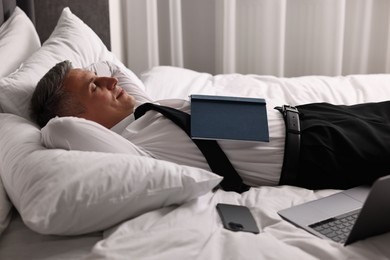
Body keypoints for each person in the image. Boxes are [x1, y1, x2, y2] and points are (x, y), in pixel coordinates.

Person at [30, 60, 390, 191]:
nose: (110, 81)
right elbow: (59, 130)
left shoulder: (141, 110)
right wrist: (43, 116)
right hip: (313, 151)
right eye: (95, 86)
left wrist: (90, 80)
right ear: (77, 118)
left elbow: (113, 66)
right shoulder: (132, 150)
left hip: (306, 115)